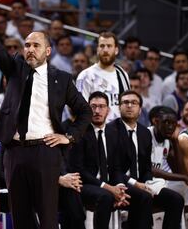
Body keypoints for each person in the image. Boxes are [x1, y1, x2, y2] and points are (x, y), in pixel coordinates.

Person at [0, 0, 92, 229]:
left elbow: (84, 112)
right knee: (20, 218)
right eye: (27, 45)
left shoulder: (62, 79)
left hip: (45, 152)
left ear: (48, 51)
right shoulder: (15, 68)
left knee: (48, 219)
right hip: (14, 153)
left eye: (35, 45)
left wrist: (68, 136)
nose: (29, 49)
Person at [108, 90, 182, 229]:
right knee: (144, 197)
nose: (129, 105)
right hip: (119, 182)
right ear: (119, 107)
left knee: (176, 199)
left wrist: (149, 183)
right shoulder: (110, 130)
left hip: (142, 183)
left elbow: (146, 167)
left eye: (134, 103)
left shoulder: (144, 133)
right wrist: (136, 184)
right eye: (125, 102)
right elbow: (112, 169)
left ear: (140, 110)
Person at [70, 91, 130, 229]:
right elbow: (79, 170)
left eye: (101, 106)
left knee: (141, 196)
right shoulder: (79, 132)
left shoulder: (113, 133)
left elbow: (116, 167)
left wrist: (120, 187)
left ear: (108, 110)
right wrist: (110, 188)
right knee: (106, 197)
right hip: (84, 184)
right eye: (93, 106)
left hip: (108, 184)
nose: (97, 111)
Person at [76, 31, 130, 123]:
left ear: (116, 50)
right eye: (102, 46)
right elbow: (80, 109)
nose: (105, 50)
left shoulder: (122, 74)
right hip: (95, 130)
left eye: (109, 46)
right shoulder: (85, 75)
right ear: (97, 49)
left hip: (119, 131)